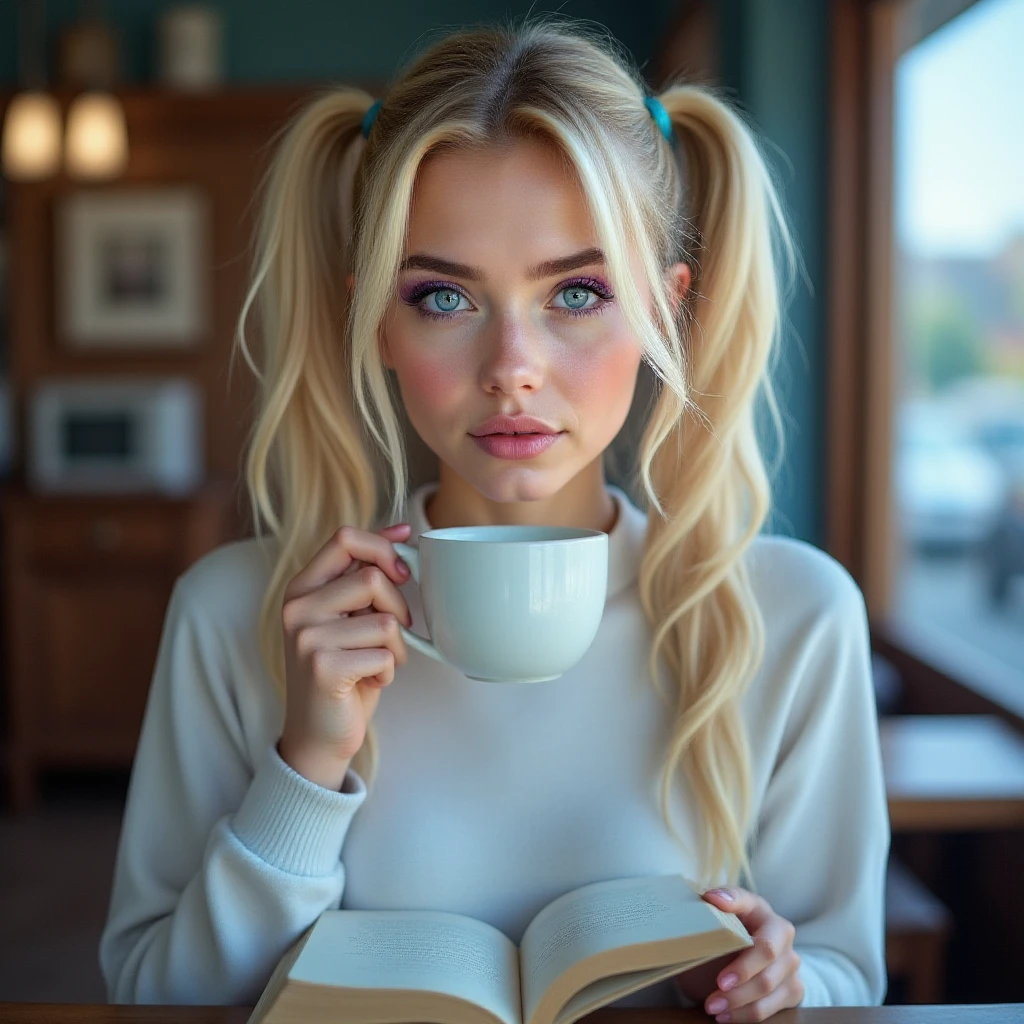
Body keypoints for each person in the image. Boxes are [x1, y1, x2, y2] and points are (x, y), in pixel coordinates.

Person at [99, 16, 890, 1020]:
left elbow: (845, 974)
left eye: (577, 291)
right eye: (442, 298)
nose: (512, 363)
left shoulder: (793, 617)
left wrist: (781, 982)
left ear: (664, 311)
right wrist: (305, 764)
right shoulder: (235, 614)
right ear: (375, 320)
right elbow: (147, 994)